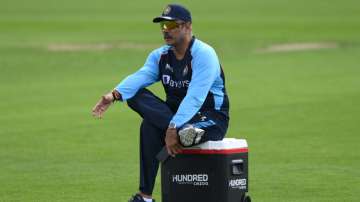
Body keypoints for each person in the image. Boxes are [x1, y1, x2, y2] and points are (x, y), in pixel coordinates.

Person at [92, 4, 230, 202]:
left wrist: (173, 126)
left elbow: (195, 97)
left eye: (172, 25)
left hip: (210, 117)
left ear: (188, 26)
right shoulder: (160, 56)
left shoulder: (204, 54)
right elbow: (140, 76)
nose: (166, 30)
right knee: (135, 97)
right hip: (174, 118)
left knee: (154, 125)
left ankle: (183, 131)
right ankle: (145, 197)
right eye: (163, 26)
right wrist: (113, 95)